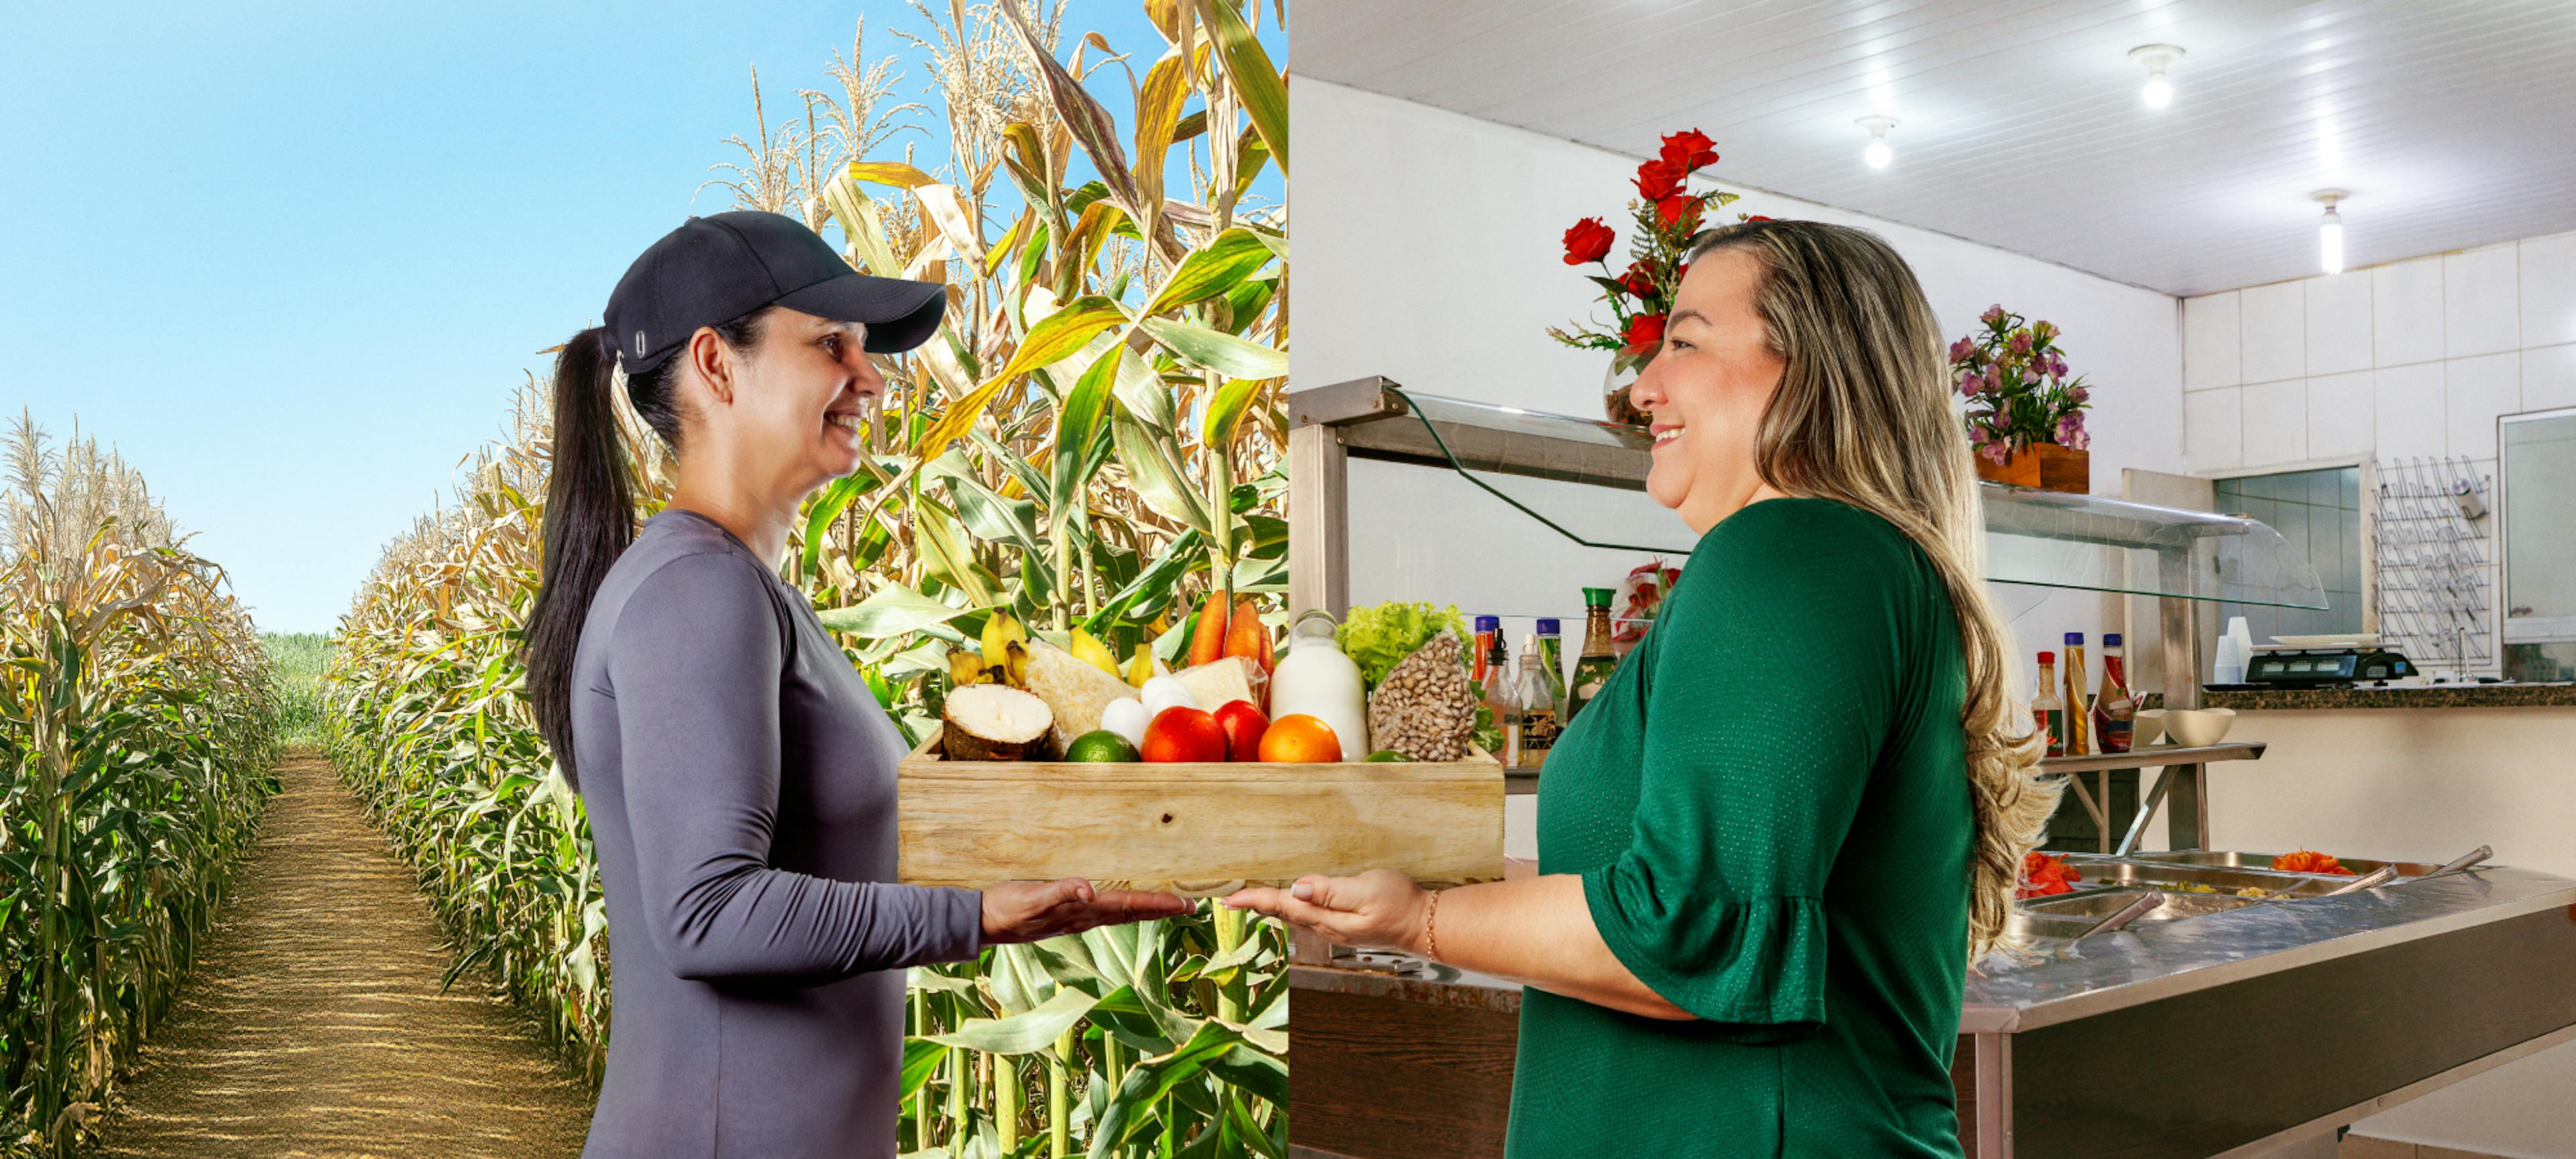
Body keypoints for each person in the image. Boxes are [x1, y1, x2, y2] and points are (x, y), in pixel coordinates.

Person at [1226, 219, 2061, 1156]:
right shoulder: (1841, 566)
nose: (1642, 387)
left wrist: (1420, 919)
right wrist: (1416, 878)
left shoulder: (1795, 550)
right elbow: (1681, 890)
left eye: (1687, 340)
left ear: (1809, 371)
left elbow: (1690, 933)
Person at [519, 211, 1189, 1159]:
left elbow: (822, 868)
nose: (869, 377)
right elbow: (706, 913)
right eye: (830, 344)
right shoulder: (696, 590)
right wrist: (978, 915)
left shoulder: (737, 586)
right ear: (717, 366)